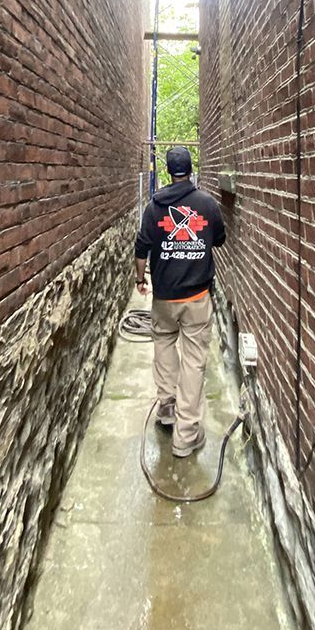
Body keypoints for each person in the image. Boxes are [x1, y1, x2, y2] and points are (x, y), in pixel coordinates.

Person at [134, 146, 226, 458]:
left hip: (163, 297)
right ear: (190, 170)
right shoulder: (207, 204)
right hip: (197, 298)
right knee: (194, 361)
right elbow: (219, 239)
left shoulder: (154, 207)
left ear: (169, 172)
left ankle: (167, 411)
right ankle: (186, 436)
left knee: (163, 349)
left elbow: (141, 247)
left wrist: (139, 279)